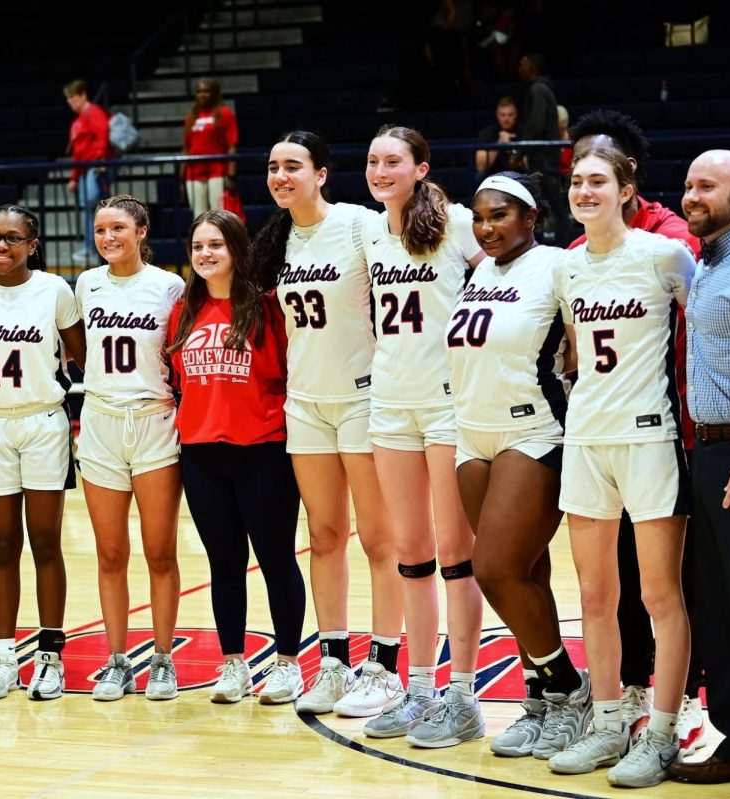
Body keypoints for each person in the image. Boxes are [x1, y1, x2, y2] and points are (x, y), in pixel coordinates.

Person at [546, 145, 694, 787]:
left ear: (627, 187)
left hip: (648, 439)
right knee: (595, 595)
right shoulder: (567, 266)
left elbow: (702, 335)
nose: (584, 191)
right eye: (577, 182)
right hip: (585, 439)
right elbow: (575, 355)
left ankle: (660, 732)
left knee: (659, 593)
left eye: (598, 181)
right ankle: (608, 724)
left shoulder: (664, 255)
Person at [248, 130, 406, 717]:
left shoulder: (361, 226)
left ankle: (386, 666)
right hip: (305, 403)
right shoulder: (277, 242)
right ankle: (334, 661)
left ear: (321, 174)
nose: (281, 176)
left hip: (364, 400)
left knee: (379, 537)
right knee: (324, 536)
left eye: (293, 166)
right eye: (273, 168)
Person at [450, 172, 590, 760]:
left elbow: (590, 341)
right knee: (524, 577)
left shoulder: (559, 264)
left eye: (500, 215)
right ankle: (541, 699)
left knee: (494, 569)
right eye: (480, 217)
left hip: (532, 429)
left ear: (532, 217)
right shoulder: (479, 269)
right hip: (471, 433)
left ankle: (570, 688)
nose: (486, 228)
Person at [360, 125, 487, 749]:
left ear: (421, 167)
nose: (381, 170)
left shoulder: (459, 223)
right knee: (411, 555)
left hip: (447, 406)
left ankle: (463, 697)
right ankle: (417, 689)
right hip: (388, 406)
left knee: (457, 555)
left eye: (393, 161)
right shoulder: (366, 230)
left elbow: (503, 282)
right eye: (373, 161)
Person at [169, 210, 307, 704]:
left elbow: (290, 373)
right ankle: (233, 664)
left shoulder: (269, 308)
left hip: (263, 450)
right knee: (224, 563)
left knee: (275, 559)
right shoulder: (183, 311)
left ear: (236, 250)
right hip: (202, 454)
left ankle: (289, 664)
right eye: (197, 246)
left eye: (215, 245)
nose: (205, 254)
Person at [0, 205, 87, 702]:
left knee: (45, 541)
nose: (1, 247)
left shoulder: (55, 291)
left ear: (33, 245)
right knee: (2, 545)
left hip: (42, 422)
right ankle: (5, 657)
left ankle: (51, 656)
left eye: (13, 239)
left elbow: (78, 353)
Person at [671, 150, 730, 799]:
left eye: (708, 185)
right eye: (688, 184)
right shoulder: (707, 259)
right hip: (707, 453)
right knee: (720, 608)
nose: (693, 194)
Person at [74, 195, 184, 701]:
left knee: (160, 552)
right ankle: (118, 661)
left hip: (154, 419)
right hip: (99, 422)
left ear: (141, 231)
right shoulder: (86, 284)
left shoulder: (169, 286)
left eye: (117, 227)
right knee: (110, 552)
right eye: (100, 229)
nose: (107, 238)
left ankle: (162, 659)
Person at [517, 54, 571, 245]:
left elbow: (536, 124)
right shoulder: (541, 88)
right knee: (549, 206)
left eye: (523, 64)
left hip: (543, 157)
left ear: (533, 66)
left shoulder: (538, 89)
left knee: (555, 207)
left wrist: (519, 151)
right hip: (544, 156)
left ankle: (566, 248)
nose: (519, 68)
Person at [63, 79, 111, 264]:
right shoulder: (77, 122)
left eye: (72, 98)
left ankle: (97, 246)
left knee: (95, 204)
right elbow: (77, 153)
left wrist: (99, 159)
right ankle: (92, 246)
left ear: (83, 95)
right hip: (84, 170)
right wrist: (74, 177)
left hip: (94, 167)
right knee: (88, 207)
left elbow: (102, 137)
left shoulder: (95, 114)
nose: (70, 103)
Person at [181, 79, 239, 218]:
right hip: (193, 172)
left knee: (218, 215)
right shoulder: (191, 116)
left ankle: (221, 240)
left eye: (206, 91)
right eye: (199, 92)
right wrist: (181, 178)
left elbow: (232, 145)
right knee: (198, 216)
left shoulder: (225, 113)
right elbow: (186, 148)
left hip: (217, 171)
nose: (202, 95)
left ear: (215, 94)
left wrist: (231, 175)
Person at [473, 97, 521, 182]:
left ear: (516, 115)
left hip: (519, 175)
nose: (506, 119)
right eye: (503, 115)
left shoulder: (523, 132)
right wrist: (499, 144)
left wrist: (513, 151)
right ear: (497, 115)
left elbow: (529, 163)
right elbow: (480, 167)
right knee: (478, 177)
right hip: (493, 176)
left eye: (510, 115)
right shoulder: (487, 133)